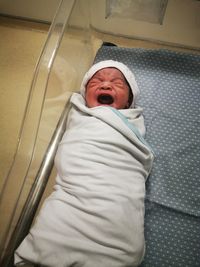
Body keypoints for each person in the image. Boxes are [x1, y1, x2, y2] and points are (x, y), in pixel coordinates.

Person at [15, 60, 154, 267]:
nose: (105, 85)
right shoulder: (79, 113)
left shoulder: (131, 121)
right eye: (96, 81)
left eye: (117, 83)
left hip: (117, 198)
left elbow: (137, 156)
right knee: (54, 230)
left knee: (119, 224)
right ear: (84, 95)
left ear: (129, 102)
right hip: (72, 195)